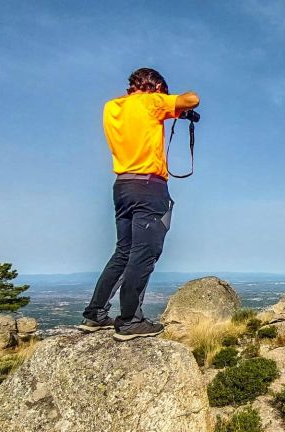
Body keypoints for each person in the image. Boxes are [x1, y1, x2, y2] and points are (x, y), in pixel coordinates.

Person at [79, 67, 199, 341]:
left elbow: (139, 124)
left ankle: (95, 314)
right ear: (156, 86)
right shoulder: (151, 101)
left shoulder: (112, 107)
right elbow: (192, 99)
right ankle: (130, 321)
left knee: (123, 252)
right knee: (144, 253)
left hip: (122, 186)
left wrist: (171, 112)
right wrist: (173, 104)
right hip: (149, 186)